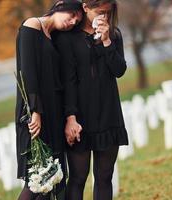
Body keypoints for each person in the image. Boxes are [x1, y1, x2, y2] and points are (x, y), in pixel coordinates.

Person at [55, 0, 128, 199]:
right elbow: (67, 80)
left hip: (108, 112)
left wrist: (106, 41)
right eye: (100, 11)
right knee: (78, 177)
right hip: (80, 115)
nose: (104, 16)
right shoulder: (67, 37)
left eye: (108, 12)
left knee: (104, 176)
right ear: (85, 7)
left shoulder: (114, 34)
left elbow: (119, 70)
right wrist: (70, 116)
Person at [15, 1, 83, 199]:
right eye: (71, 15)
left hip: (54, 111)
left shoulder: (55, 36)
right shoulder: (31, 26)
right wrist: (35, 111)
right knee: (36, 178)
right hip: (34, 111)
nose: (72, 22)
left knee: (50, 179)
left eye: (77, 21)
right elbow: (27, 73)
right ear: (59, 5)